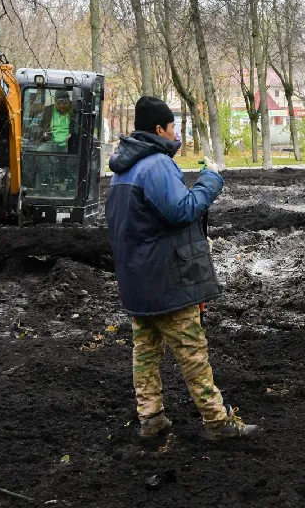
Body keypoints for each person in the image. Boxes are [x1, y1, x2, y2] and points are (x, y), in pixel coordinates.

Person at [106, 95, 257, 441]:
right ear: (159, 128)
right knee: (192, 353)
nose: (176, 134)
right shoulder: (156, 164)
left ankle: (152, 418)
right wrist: (210, 181)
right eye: (173, 127)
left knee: (145, 352)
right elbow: (181, 211)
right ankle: (218, 423)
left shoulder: (123, 169)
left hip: (137, 282)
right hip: (168, 280)